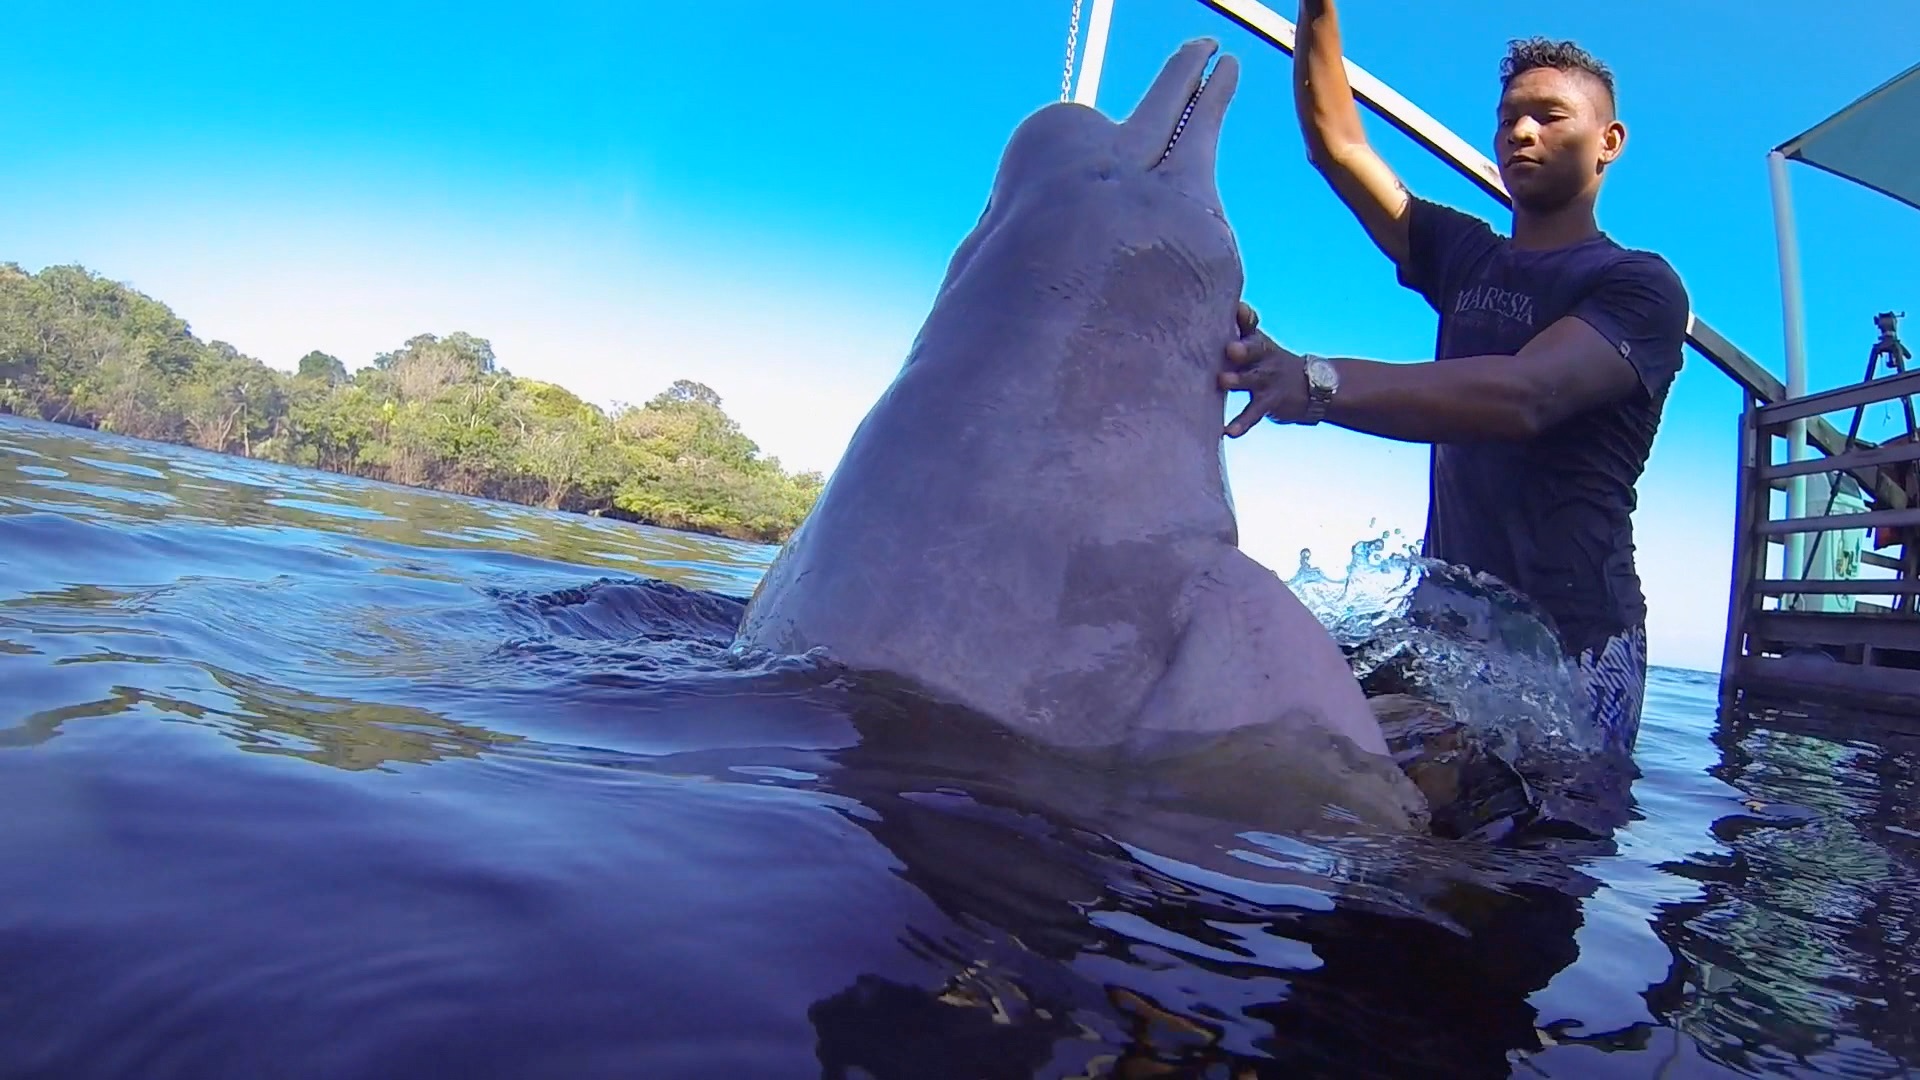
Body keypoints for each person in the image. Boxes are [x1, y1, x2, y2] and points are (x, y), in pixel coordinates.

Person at [1218, 0, 1690, 755]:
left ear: (1609, 143)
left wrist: (1313, 382)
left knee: (1519, 861)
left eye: (1550, 116)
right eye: (1508, 119)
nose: (1521, 133)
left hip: (1571, 651)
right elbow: (1338, 146)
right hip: (1444, 625)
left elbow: (1526, 396)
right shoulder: (1466, 256)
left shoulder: (1641, 287)